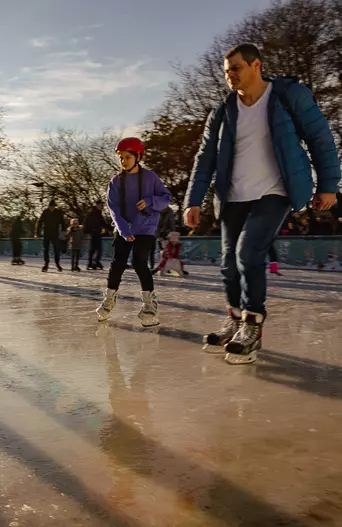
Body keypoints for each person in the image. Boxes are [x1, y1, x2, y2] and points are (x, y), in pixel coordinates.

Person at [184, 43, 340, 364]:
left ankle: (253, 324)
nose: (231, 77)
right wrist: (193, 200)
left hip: (276, 190)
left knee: (248, 253)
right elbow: (205, 159)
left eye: (236, 69)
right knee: (228, 263)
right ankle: (235, 319)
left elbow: (320, 138)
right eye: (227, 72)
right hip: (233, 196)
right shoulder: (222, 111)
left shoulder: (288, 96)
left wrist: (328, 185)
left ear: (257, 65)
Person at [96, 137, 172, 327]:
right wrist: (122, 229)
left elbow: (166, 197)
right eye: (121, 157)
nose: (124, 161)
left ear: (138, 156)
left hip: (145, 228)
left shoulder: (150, 177)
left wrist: (150, 201)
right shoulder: (115, 182)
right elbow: (112, 208)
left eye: (128, 157)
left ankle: (150, 304)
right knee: (117, 263)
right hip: (123, 228)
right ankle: (109, 299)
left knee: (140, 263)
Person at [37, 200, 65, 272]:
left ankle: (57, 263)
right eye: (51, 207)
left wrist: (64, 229)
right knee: (46, 249)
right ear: (49, 206)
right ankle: (46, 264)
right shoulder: (45, 212)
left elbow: (62, 221)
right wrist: (37, 233)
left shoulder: (58, 212)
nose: (52, 208)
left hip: (55, 233)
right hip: (46, 233)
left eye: (53, 207)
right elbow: (39, 222)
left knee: (56, 249)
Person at [152, 206, 176, 271]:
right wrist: (158, 235)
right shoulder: (156, 210)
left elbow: (172, 223)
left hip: (166, 233)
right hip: (157, 233)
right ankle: (156, 266)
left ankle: (167, 267)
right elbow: (156, 224)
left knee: (167, 251)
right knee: (158, 250)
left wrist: (172, 233)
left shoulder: (169, 211)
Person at [84, 201, 105, 270]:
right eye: (100, 205)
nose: (101, 207)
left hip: (97, 232)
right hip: (93, 232)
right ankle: (93, 262)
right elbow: (87, 222)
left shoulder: (98, 213)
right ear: (97, 205)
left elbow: (102, 222)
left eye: (102, 206)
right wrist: (88, 232)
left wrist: (110, 228)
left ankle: (94, 261)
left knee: (96, 249)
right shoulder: (92, 213)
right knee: (95, 248)